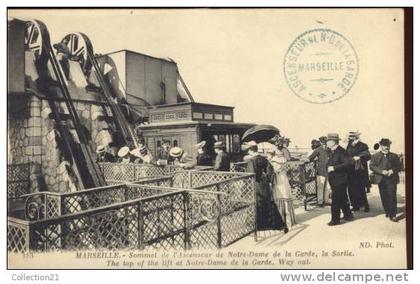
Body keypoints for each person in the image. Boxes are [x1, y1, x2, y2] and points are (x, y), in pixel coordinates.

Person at [243, 141, 286, 233]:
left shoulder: (251, 160)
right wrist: (267, 179)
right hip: (264, 183)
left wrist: (246, 185)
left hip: (257, 183)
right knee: (268, 201)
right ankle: (274, 223)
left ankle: (261, 225)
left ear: (251, 150)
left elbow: (251, 174)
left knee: (259, 202)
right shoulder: (263, 158)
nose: (247, 152)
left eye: (248, 150)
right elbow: (270, 171)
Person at [369, 138, 402, 222]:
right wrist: (381, 171)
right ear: (381, 146)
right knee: (384, 196)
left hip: (392, 179)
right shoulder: (375, 156)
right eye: (384, 146)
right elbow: (372, 166)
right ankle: (387, 211)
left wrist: (392, 170)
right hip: (381, 180)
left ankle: (393, 215)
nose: (386, 147)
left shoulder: (394, 156)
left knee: (392, 196)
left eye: (388, 145)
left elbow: (399, 166)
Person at [325, 133, 354, 226]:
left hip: (340, 179)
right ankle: (348, 215)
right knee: (342, 198)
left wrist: (334, 168)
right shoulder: (333, 151)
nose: (327, 142)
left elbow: (349, 163)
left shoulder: (341, 151)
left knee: (336, 199)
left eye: (328, 141)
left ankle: (335, 220)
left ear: (334, 142)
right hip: (335, 179)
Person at [267, 147, 296, 231]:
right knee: (285, 197)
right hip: (284, 179)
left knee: (280, 197)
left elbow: (275, 171)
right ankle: (289, 220)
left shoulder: (274, 161)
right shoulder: (282, 160)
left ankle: (282, 221)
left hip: (278, 181)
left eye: (269, 154)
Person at [346, 131, 371, 212]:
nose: (350, 138)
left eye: (352, 136)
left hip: (360, 170)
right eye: (350, 136)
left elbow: (368, 155)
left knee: (361, 189)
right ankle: (355, 205)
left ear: (356, 137)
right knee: (351, 189)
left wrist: (359, 157)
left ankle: (366, 205)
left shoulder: (363, 145)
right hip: (350, 170)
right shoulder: (349, 145)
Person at [308, 136, 332, 206]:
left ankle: (326, 200)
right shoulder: (318, 149)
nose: (324, 144)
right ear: (321, 143)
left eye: (325, 143)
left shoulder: (329, 150)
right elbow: (311, 157)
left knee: (328, 186)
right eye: (323, 143)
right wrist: (306, 160)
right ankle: (320, 202)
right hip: (321, 170)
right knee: (320, 186)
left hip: (328, 170)